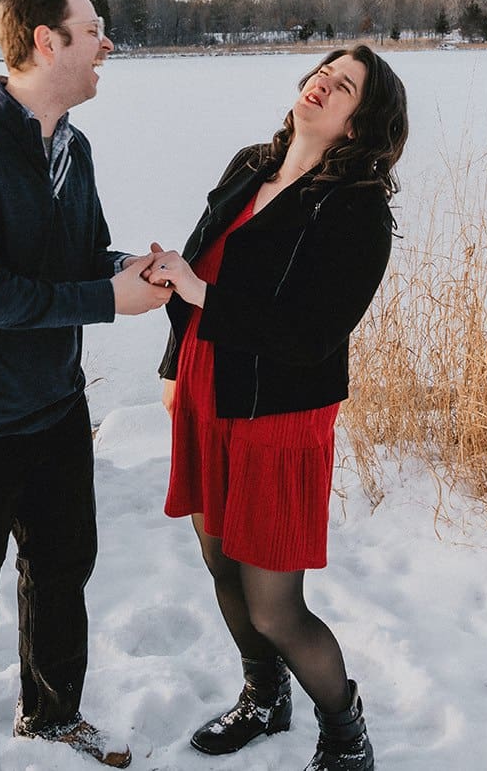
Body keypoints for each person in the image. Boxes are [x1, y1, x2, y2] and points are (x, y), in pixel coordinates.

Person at [0, 0, 167, 771]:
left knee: (61, 572)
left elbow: (82, 252)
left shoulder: (72, 148)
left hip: (54, 406)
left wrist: (133, 268)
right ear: (46, 42)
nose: (106, 44)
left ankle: (52, 718)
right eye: (93, 29)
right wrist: (103, 297)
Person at [150, 44, 407, 771]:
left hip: (278, 415)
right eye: (327, 68)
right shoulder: (248, 166)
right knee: (220, 564)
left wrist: (204, 296)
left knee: (275, 605)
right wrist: (174, 361)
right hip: (208, 390)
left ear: (359, 126)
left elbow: (311, 335)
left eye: (347, 84)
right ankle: (264, 695)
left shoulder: (356, 212)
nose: (326, 80)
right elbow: (198, 266)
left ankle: (345, 732)